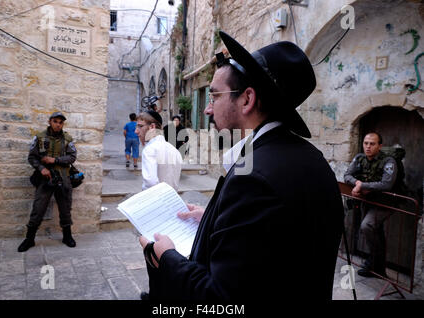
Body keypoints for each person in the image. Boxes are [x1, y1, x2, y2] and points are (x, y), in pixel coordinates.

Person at [138, 31, 344, 301]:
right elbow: (270, 245)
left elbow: (222, 298)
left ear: (247, 99)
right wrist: (214, 219)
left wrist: (167, 257)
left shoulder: (254, 179)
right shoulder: (311, 158)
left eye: (214, 96)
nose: (207, 109)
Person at [18, 112, 77, 252]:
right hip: (45, 179)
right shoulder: (39, 137)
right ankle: (29, 239)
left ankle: (67, 236)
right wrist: (41, 168)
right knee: (38, 209)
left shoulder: (68, 139)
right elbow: (32, 157)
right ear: (50, 121)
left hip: (63, 178)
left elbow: (72, 157)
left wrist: (55, 160)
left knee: (65, 209)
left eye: (60, 122)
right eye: (55, 121)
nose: (58, 124)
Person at [344, 132, 398, 278]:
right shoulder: (360, 158)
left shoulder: (389, 161)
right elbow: (347, 175)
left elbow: (386, 184)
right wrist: (357, 184)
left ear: (380, 146)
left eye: (372, 144)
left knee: (367, 226)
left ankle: (374, 261)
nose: (368, 146)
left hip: (386, 203)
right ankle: (377, 266)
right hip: (369, 201)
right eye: (366, 143)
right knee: (375, 231)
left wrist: (362, 185)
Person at [135, 110, 182, 191]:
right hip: (171, 200)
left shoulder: (150, 149)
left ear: (152, 127)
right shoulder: (175, 151)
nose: (136, 131)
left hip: (155, 200)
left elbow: (150, 183)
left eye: (140, 126)